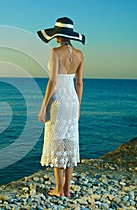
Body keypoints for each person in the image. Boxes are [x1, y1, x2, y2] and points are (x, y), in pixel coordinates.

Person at [37, 17, 85, 197]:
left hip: (59, 101)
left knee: (58, 142)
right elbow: (79, 83)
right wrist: (78, 107)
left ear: (58, 35)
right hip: (73, 101)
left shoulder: (55, 52)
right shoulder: (80, 54)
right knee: (70, 142)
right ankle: (67, 189)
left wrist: (43, 108)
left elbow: (53, 81)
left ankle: (58, 189)